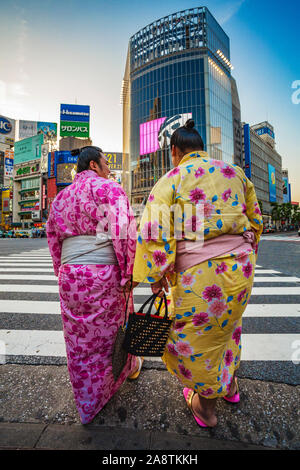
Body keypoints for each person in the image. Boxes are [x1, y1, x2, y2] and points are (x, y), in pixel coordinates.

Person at [132, 120, 263, 428]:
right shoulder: (235, 174)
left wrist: (155, 275)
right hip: (240, 268)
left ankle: (206, 407)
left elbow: (154, 232)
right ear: (202, 148)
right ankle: (228, 385)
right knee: (227, 327)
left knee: (194, 340)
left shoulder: (172, 179)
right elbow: (255, 222)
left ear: (174, 151)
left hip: (200, 275)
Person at [46, 146, 141, 425]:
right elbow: (124, 232)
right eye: (106, 162)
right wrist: (128, 274)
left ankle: (87, 403)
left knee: (80, 342)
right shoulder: (109, 190)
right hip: (105, 275)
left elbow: (54, 242)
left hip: (71, 275)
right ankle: (119, 376)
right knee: (108, 336)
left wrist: (60, 271)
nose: (109, 168)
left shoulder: (61, 198)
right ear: (93, 165)